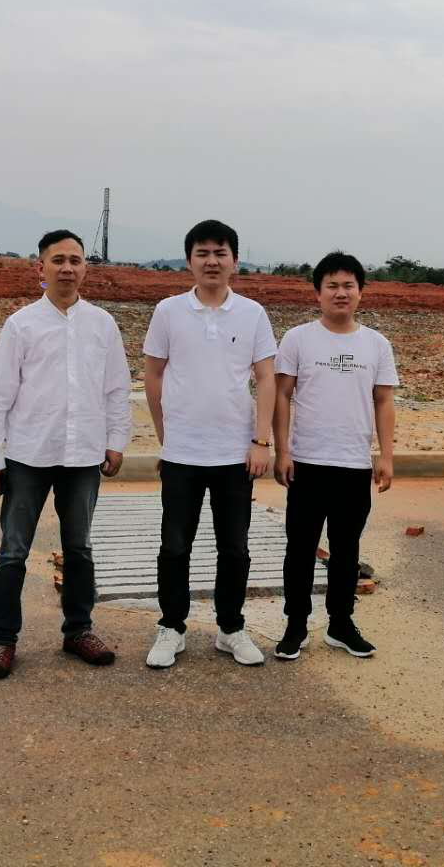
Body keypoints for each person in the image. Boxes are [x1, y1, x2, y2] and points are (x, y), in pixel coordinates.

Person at [0, 229, 131, 678]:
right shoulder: (21, 324)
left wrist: (116, 440)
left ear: (85, 269)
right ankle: (2, 640)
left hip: (83, 455)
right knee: (13, 550)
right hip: (28, 454)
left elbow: (117, 388)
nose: (67, 268)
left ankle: (78, 630)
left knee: (79, 547)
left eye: (75, 260)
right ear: (40, 268)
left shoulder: (102, 324)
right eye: (58, 260)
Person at [142, 219, 277, 668]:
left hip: (235, 454)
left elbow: (266, 378)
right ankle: (171, 627)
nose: (212, 261)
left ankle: (230, 628)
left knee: (234, 547)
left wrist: (261, 441)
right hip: (182, 453)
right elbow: (153, 375)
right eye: (203, 253)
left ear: (234, 261)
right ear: (189, 261)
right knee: (174, 546)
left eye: (220, 253)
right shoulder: (168, 311)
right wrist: (165, 436)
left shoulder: (252, 313)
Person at [272, 251, 397, 660]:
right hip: (306, 463)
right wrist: (282, 450)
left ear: (360, 292)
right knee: (300, 549)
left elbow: (383, 401)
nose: (340, 293)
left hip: (353, 465)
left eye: (348, 285)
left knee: (346, 551)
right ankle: (295, 625)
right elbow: (282, 396)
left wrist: (386, 455)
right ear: (318, 293)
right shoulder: (298, 339)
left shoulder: (376, 344)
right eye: (332, 286)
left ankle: (341, 624)